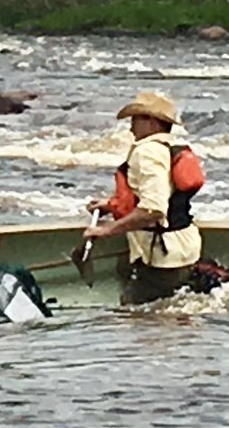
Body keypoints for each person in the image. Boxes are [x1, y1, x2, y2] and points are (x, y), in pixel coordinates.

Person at [83, 91, 202, 305]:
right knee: (126, 270)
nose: (130, 126)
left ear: (152, 122)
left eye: (136, 119)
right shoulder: (170, 147)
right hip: (185, 247)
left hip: (163, 257)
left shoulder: (146, 152)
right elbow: (164, 194)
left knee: (133, 314)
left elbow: (153, 209)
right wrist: (111, 206)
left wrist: (107, 230)